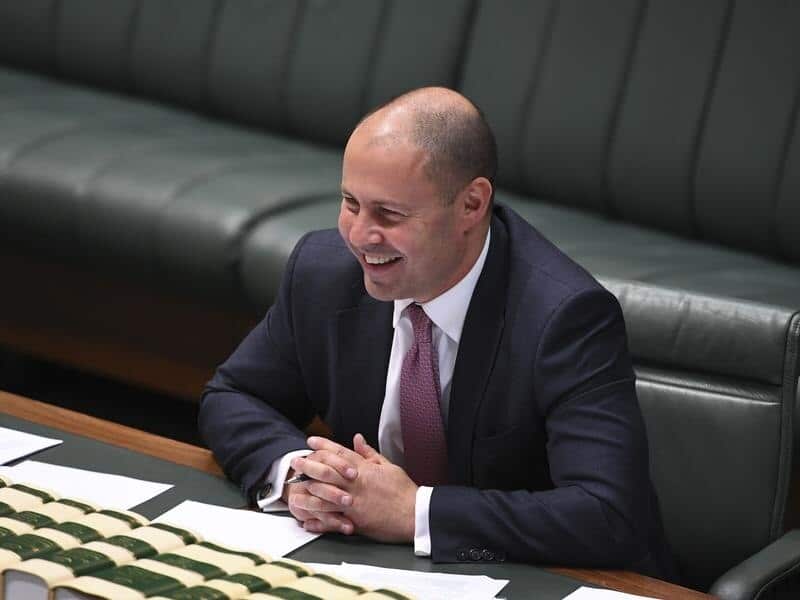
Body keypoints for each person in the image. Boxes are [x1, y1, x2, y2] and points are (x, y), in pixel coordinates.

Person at [199, 87, 677, 581]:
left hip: (534, 576)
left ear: (471, 205)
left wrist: (415, 512)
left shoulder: (565, 318)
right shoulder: (322, 272)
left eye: (389, 215)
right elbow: (233, 396)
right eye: (350, 203)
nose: (360, 236)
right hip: (375, 568)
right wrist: (302, 475)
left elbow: (608, 516)